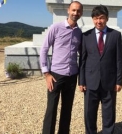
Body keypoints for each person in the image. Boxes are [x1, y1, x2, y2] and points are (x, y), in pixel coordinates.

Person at [79, 5, 122, 134]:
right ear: (92, 19)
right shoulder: (86, 36)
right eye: (96, 18)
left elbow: (119, 60)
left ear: (107, 19)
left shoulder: (115, 35)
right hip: (90, 82)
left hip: (109, 82)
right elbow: (82, 60)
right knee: (89, 113)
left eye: (102, 18)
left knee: (109, 113)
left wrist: (119, 81)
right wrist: (81, 81)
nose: (99, 21)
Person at [39, 1, 83, 134]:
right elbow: (44, 50)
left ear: (81, 13)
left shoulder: (79, 33)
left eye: (78, 11)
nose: (76, 13)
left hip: (72, 76)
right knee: (51, 109)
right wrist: (46, 73)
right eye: (73, 10)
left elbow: (82, 54)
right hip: (56, 75)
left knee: (67, 109)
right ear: (68, 10)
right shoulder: (56, 28)